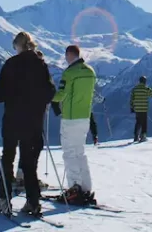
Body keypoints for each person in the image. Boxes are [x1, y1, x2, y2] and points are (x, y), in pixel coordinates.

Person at [0, 32, 55, 216]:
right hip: (33, 120)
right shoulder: (41, 64)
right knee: (29, 163)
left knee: (8, 158)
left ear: (18, 45)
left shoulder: (11, 64)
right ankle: (33, 202)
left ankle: (4, 200)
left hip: (13, 119)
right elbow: (49, 91)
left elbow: (1, 92)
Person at [52, 44, 97, 205]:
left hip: (70, 118)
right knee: (80, 153)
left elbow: (61, 95)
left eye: (66, 56)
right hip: (84, 117)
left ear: (69, 55)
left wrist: (49, 96)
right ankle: (86, 187)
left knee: (69, 153)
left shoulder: (69, 73)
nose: (65, 59)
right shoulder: (91, 72)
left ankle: (74, 188)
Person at [130, 76, 152, 142]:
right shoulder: (146, 89)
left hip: (137, 109)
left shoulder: (134, 89)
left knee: (138, 122)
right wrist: (148, 88)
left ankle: (136, 136)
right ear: (145, 82)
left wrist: (132, 107)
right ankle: (143, 136)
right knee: (144, 123)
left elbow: (131, 99)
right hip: (144, 109)